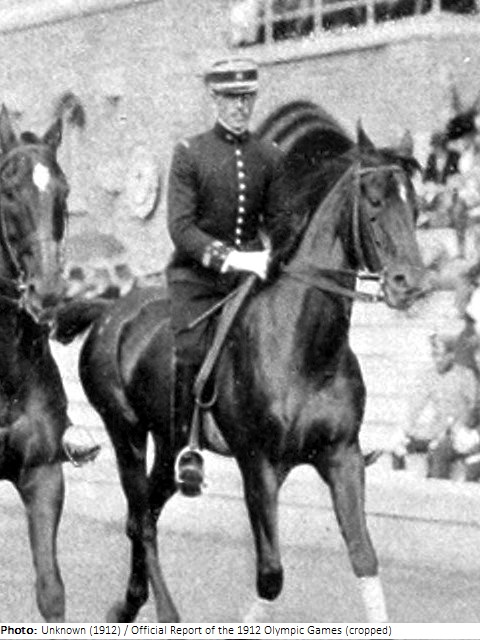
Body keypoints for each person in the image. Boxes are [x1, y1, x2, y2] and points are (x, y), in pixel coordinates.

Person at [166, 57, 285, 495]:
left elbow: (278, 220)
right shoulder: (190, 152)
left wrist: (272, 250)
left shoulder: (269, 155)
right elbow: (181, 227)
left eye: (247, 98)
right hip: (200, 280)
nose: (240, 107)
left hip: (252, 276)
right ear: (214, 99)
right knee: (191, 347)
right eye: (231, 98)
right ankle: (188, 446)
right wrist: (232, 259)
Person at [391, 332, 480, 479]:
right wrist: (403, 429)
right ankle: (399, 486)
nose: (437, 360)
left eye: (440, 355)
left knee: (438, 451)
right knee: (399, 447)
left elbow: (473, 408)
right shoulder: (429, 376)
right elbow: (416, 405)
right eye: (434, 355)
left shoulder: (465, 375)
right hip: (436, 428)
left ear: (451, 355)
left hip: (457, 431)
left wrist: (460, 427)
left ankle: (437, 487)